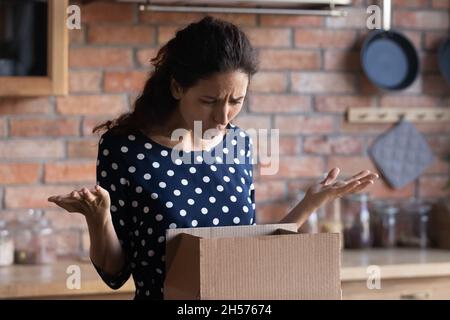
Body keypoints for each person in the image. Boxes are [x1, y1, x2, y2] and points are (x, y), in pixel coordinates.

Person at [48, 16, 378, 300]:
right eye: (209, 100)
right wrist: (98, 217)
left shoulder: (239, 142)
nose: (224, 116)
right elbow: (114, 273)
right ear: (177, 88)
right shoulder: (124, 149)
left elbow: (247, 252)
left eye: (237, 100)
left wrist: (309, 204)